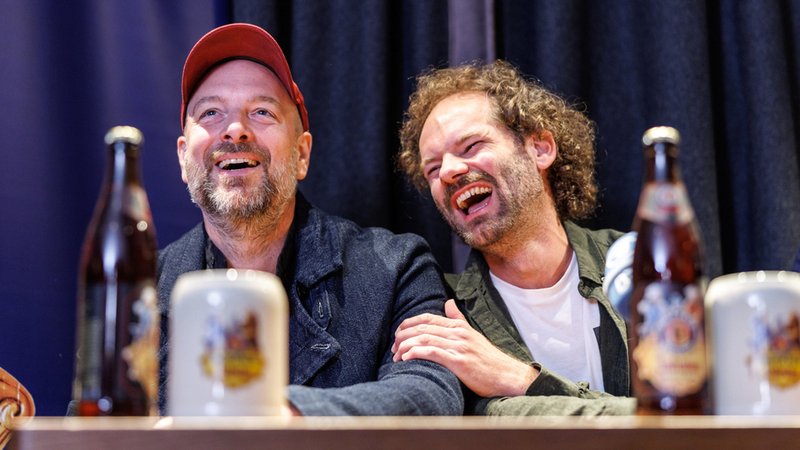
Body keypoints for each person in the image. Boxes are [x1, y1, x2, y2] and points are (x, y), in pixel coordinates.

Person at [156, 23, 463, 416]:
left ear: (302, 155)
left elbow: (431, 394)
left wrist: (285, 416)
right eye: (211, 112)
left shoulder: (396, 267)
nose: (235, 129)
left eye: (262, 111)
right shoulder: (139, 293)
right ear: (184, 157)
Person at [392, 60, 636, 415]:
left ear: (540, 148)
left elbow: (693, 420)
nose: (447, 172)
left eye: (471, 145)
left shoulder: (635, 265)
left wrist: (521, 379)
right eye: (432, 168)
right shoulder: (447, 314)